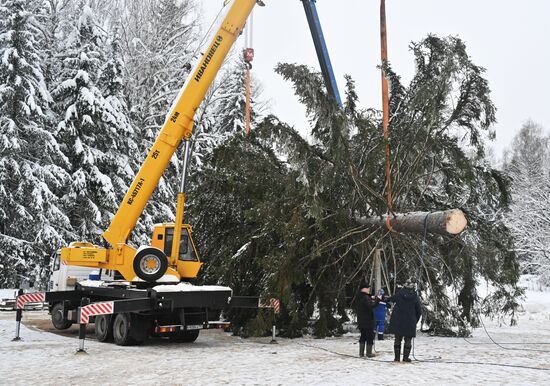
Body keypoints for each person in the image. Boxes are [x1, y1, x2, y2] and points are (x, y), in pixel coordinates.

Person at [387, 278, 421, 362]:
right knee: (408, 339)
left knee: (397, 339)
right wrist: (415, 320)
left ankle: (397, 358)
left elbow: (390, 300)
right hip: (410, 321)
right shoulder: (415, 296)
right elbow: (418, 311)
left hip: (398, 321)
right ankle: (406, 358)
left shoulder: (399, 294)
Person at [355, 283, 380, 358]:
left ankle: (361, 353)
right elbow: (371, 306)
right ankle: (369, 353)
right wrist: (378, 300)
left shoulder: (359, 296)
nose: (369, 289)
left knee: (363, 336)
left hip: (361, 319)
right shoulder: (365, 297)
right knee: (369, 336)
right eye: (368, 288)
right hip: (367, 320)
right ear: (364, 289)